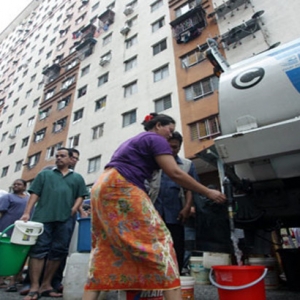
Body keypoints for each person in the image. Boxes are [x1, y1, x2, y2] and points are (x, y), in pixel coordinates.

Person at [83, 113, 225, 300]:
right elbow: (175, 173)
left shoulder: (133, 140)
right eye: (170, 130)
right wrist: (208, 192)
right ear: (158, 125)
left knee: (108, 244)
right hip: (122, 187)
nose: (170, 136)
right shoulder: (155, 138)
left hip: (101, 186)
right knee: (161, 242)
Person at [20, 147, 88, 300]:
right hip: (42, 218)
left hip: (65, 220)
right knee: (38, 251)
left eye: (62, 156)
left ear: (70, 159)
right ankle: (34, 286)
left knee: (58, 251)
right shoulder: (44, 174)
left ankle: (46, 285)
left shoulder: (77, 178)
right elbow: (34, 194)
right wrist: (26, 212)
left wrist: (75, 208)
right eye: (57, 156)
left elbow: (81, 195)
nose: (58, 158)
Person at [148, 131, 199, 275]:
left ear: (180, 147)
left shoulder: (187, 165)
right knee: (154, 246)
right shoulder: (154, 163)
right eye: (168, 146)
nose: (171, 150)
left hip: (176, 213)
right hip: (153, 213)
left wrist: (187, 207)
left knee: (176, 246)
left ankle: (175, 276)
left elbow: (190, 188)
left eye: (175, 147)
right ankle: (155, 277)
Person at [0, 179, 30, 292]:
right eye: (15, 184)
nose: (16, 186)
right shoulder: (7, 197)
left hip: (22, 230)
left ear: (25, 187)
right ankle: (1, 278)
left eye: (19, 184)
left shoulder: (28, 199)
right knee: (4, 253)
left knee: (20, 253)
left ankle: (17, 277)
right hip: (6, 227)